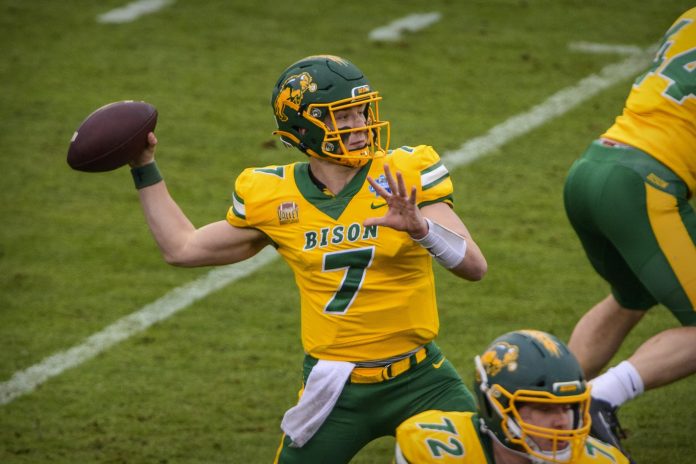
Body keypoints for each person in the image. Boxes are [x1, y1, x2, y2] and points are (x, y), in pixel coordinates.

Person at [127, 54, 487, 463]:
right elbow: (181, 248)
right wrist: (144, 166)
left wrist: (421, 228)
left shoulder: (403, 172)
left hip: (422, 380)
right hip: (335, 388)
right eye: (341, 117)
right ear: (302, 130)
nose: (358, 126)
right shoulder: (273, 196)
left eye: (360, 110)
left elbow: (474, 266)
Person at [563, 6, 696, 460]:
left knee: (630, 297)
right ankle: (599, 397)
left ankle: (543, 400)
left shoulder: (690, 15)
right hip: (645, 183)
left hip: (593, 166)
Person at [394, 330, 630, 463]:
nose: (562, 422)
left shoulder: (602, 460)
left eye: (568, 407)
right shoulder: (437, 450)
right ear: (495, 406)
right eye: (545, 409)